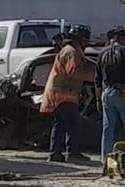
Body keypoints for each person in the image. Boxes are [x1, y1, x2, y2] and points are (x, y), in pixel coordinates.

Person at [40, 24, 95, 163]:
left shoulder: (69, 50)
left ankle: (55, 154)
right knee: (74, 123)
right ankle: (73, 153)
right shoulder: (72, 51)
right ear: (80, 39)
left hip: (58, 93)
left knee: (60, 124)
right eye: (85, 41)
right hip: (64, 94)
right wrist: (94, 76)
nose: (86, 44)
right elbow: (74, 72)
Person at [96, 27, 125, 163]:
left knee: (108, 128)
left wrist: (98, 99)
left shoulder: (102, 53)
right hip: (124, 92)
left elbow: (97, 79)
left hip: (106, 92)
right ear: (123, 39)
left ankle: (105, 159)